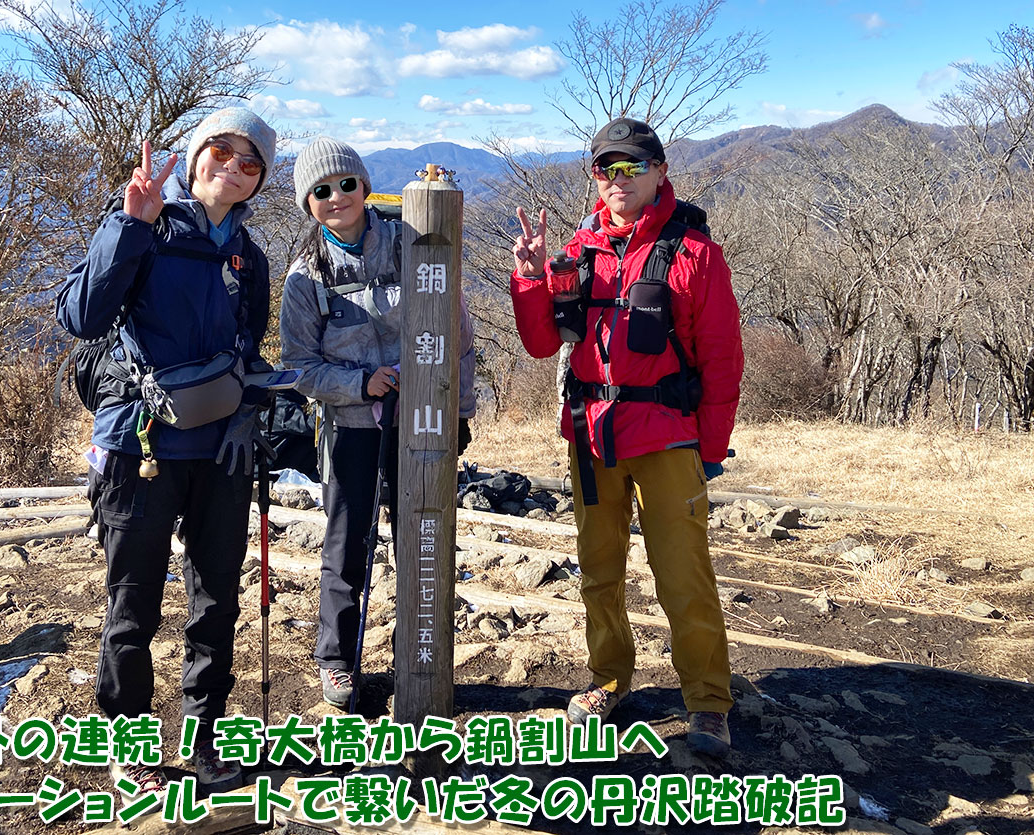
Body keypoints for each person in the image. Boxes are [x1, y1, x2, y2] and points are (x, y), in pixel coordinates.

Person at [56, 106, 276, 791]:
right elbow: (80, 316)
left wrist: (250, 415)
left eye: (250, 161)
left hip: (220, 453)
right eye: (222, 149)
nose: (232, 167)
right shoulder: (144, 226)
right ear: (195, 151)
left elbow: (248, 353)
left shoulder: (250, 256)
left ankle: (204, 737)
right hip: (139, 446)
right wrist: (129, 223)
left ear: (259, 179)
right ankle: (129, 742)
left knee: (216, 602)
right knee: (135, 602)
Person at [509, 117, 743, 757]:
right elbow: (540, 343)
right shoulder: (579, 250)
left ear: (661, 171)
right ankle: (607, 679)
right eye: (606, 169)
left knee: (682, 575)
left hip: (667, 436)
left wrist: (712, 448)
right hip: (592, 435)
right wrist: (531, 278)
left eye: (633, 166)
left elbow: (722, 359)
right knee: (599, 569)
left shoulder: (694, 253)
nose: (619, 180)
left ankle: (708, 701)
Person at [278, 136, 477, 710]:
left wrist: (458, 412)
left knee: (421, 534)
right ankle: (338, 661)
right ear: (307, 203)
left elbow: (457, 334)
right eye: (321, 191)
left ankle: (421, 654)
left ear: (364, 186)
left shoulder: (413, 244)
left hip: (424, 421)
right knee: (347, 543)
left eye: (346, 184)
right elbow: (299, 369)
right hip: (351, 429)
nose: (336, 197)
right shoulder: (305, 278)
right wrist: (358, 384)